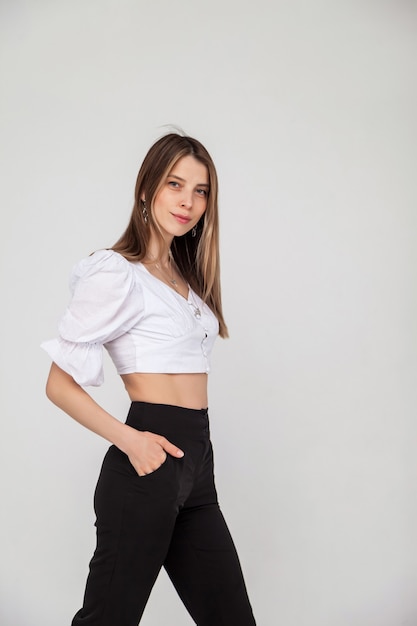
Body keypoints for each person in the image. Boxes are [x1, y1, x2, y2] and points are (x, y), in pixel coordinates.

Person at [41, 132, 256, 625]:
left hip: (198, 467)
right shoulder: (115, 271)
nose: (188, 201)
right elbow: (58, 385)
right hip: (145, 465)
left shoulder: (185, 278)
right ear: (146, 188)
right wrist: (131, 442)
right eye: (175, 183)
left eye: (201, 190)